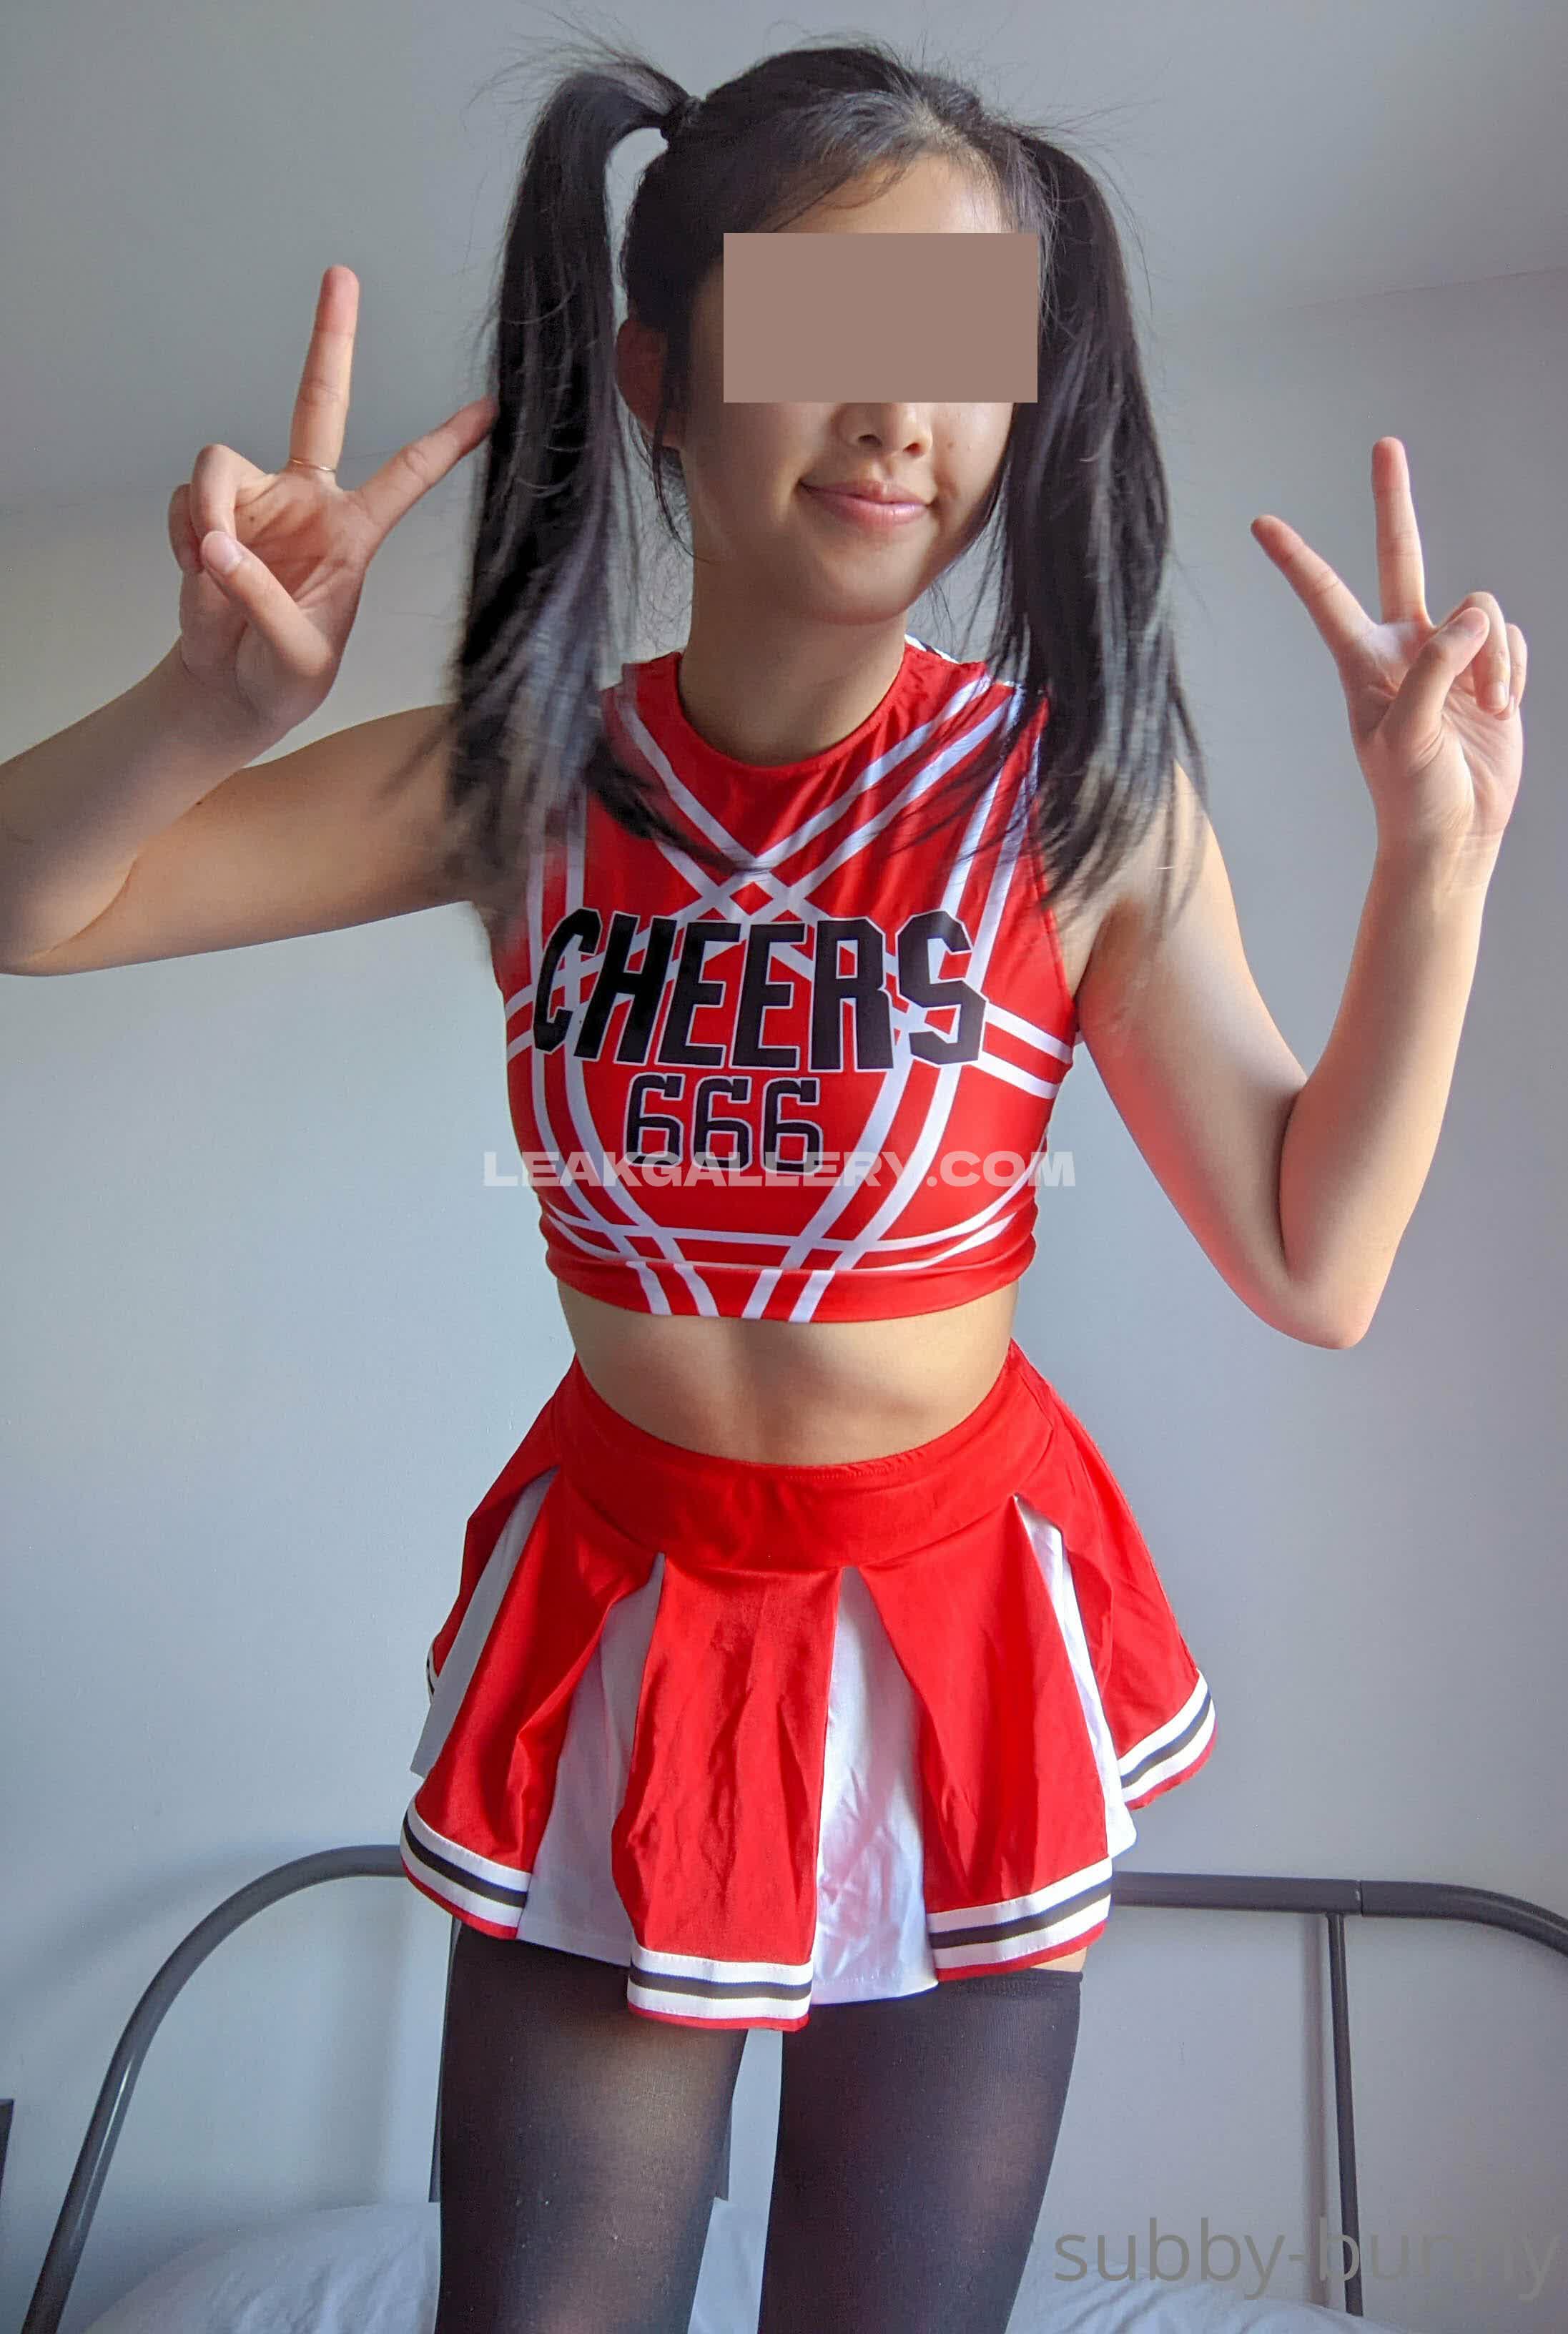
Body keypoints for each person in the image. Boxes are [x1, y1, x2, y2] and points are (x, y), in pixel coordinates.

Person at [1, 31, 1524, 2334]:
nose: (898, 413)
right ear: (660, 378)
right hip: (626, 1614)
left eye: (955, 347)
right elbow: (39, 907)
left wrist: (1438, 864)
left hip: (957, 1635)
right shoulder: (527, 773)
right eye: (829, 330)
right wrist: (207, 708)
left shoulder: (1076, 798)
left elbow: (1316, 1261)